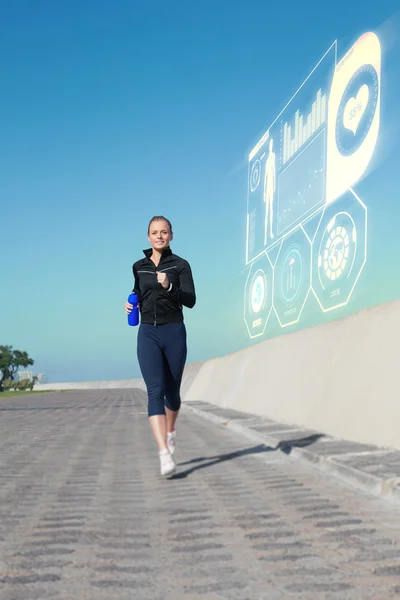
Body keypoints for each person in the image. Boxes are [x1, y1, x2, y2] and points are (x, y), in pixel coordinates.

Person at [125, 216, 196, 477]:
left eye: (164, 232)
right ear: (148, 237)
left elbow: (190, 300)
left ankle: (170, 429)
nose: (159, 236)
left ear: (171, 236)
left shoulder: (181, 265)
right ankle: (164, 453)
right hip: (147, 334)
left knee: (172, 393)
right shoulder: (138, 266)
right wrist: (130, 304)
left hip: (174, 332)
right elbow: (139, 292)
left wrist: (170, 285)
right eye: (154, 232)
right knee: (154, 391)